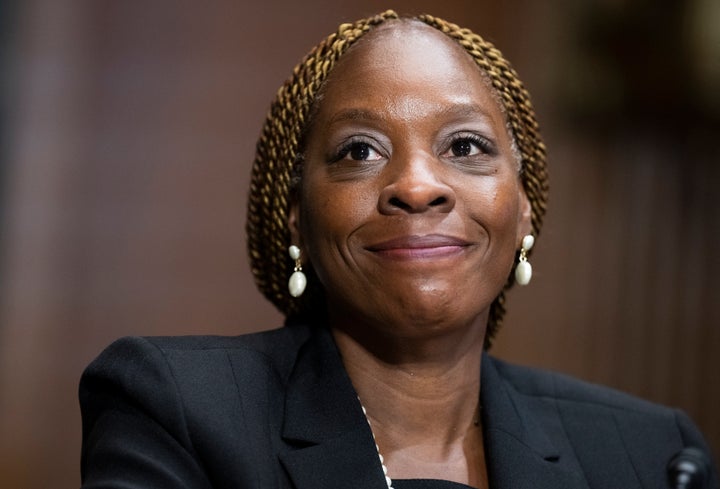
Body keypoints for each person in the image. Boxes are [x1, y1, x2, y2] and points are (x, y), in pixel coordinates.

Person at [79, 10, 718, 489]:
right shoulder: (175, 411)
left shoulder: (651, 456)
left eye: (465, 147)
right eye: (360, 151)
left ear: (522, 210)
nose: (416, 187)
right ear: (296, 219)